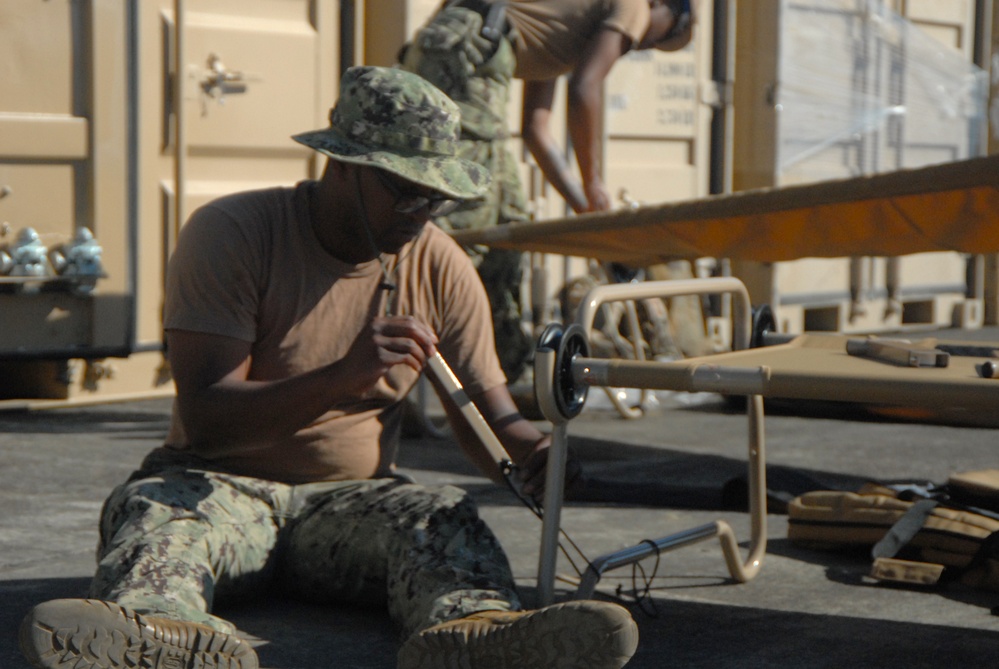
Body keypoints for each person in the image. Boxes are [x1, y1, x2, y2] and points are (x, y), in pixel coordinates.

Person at [18, 66, 638, 669]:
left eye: (438, 197)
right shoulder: (235, 234)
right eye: (404, 189)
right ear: (342, 164)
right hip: (217, 488)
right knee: (158, 516)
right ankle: (160, 635)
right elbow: (208, 419)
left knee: (441, 517)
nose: (421, 212)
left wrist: (534, 454)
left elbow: (489, 413)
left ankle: (472, 635)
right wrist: (344, 375)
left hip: (349, 510)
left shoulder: (441, 266)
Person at [399, 0, 697, 382]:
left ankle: (501, 374)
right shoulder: (634, 5)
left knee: (508, 222)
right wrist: (594, 181)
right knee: (461, 218)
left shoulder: (558, 32)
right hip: (470, 49)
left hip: (463, 40)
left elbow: (536, 131)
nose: (641, 44)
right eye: (665, 35)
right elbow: (584, 88)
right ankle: (395, 368)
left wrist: (586, 206)